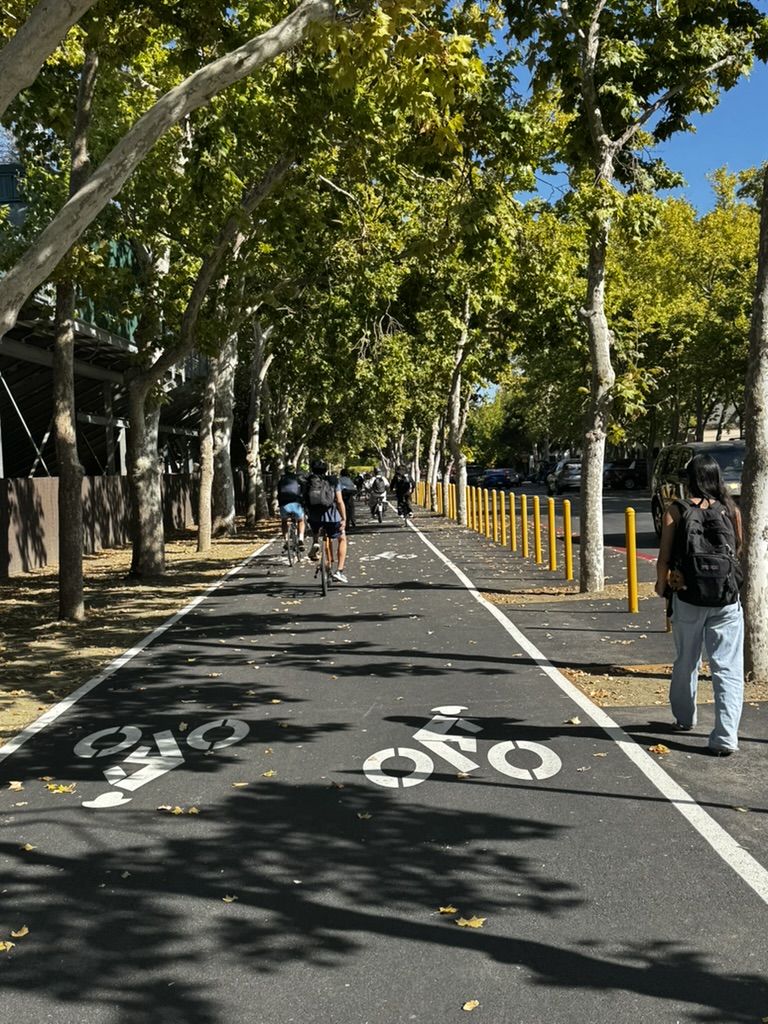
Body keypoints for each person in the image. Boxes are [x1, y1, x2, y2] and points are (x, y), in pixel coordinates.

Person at [655, 453, 744, 755]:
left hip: (688, 595)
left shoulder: (675, 510)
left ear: (690, 480)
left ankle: (684, 717)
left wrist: (661, 583)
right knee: (728, 668)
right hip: (726, 598)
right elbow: (738, 550)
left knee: (687, 659)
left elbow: (664, 555)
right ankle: (725, 736)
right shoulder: (731, 510)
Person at [304, 458, 348, 583]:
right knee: (342, 538)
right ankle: (339, 571)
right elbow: (339, 501)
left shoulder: (309, 481)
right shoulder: (334, 481)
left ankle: (316, 541)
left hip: (314, 517)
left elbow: (305, 499)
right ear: (325, 469)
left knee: (318, 531)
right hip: (332, 516)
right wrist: (344, 519)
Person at [277, 464, 305, 553]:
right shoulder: (298, 479)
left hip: (284, 506)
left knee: (284, 521)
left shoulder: (281, 480)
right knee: (301, 520)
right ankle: (300, 538)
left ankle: (286, 540)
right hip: (296, 504)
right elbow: (304, 489)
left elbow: (278, 493)